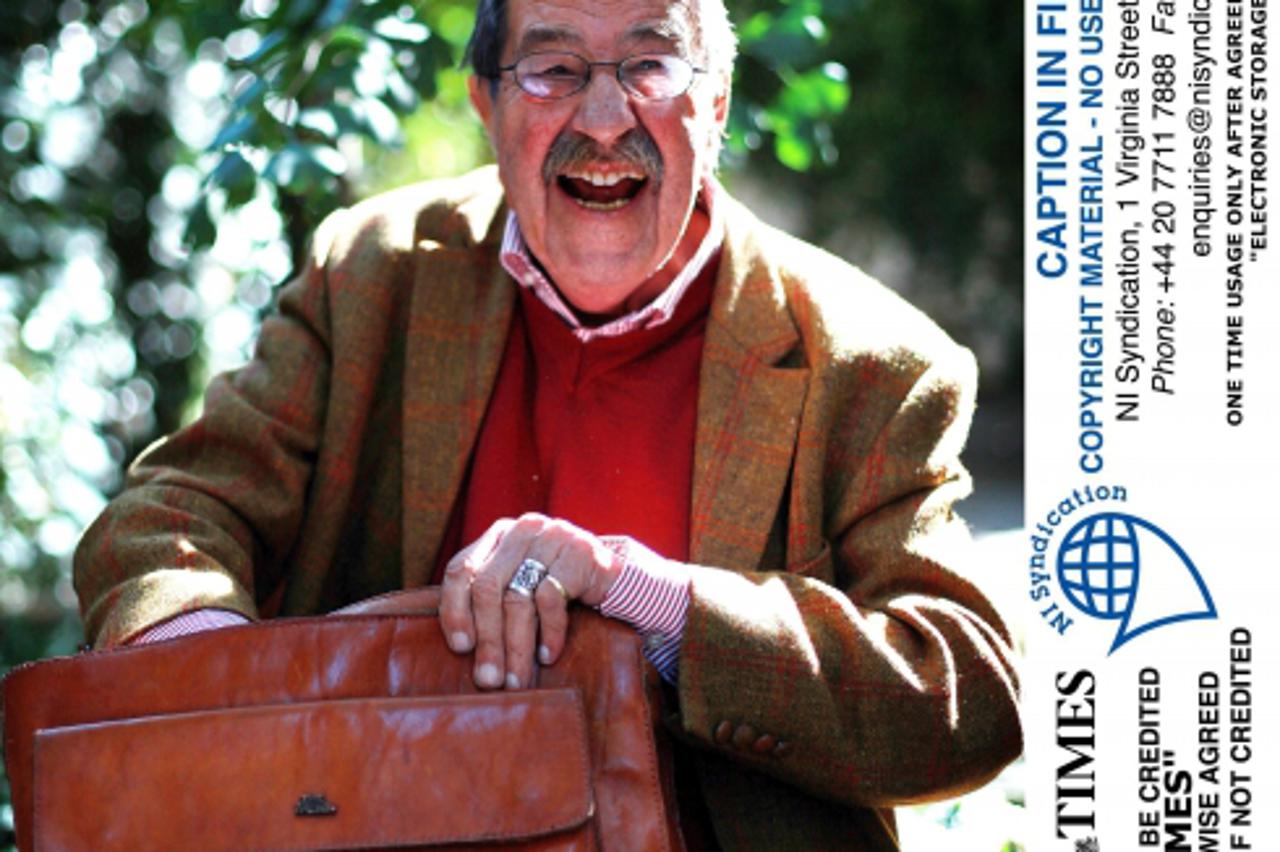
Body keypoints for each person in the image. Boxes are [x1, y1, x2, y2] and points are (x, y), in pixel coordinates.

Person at [73, 0, 1022, 846]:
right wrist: (205, 678)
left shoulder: (873, 363)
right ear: (488, 106)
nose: (605, 121)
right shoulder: (370, 272)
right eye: (553, 67)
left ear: (719, 102)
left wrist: (646, 598)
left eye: (650, 64)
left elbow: (966, 701)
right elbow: (171, 515)